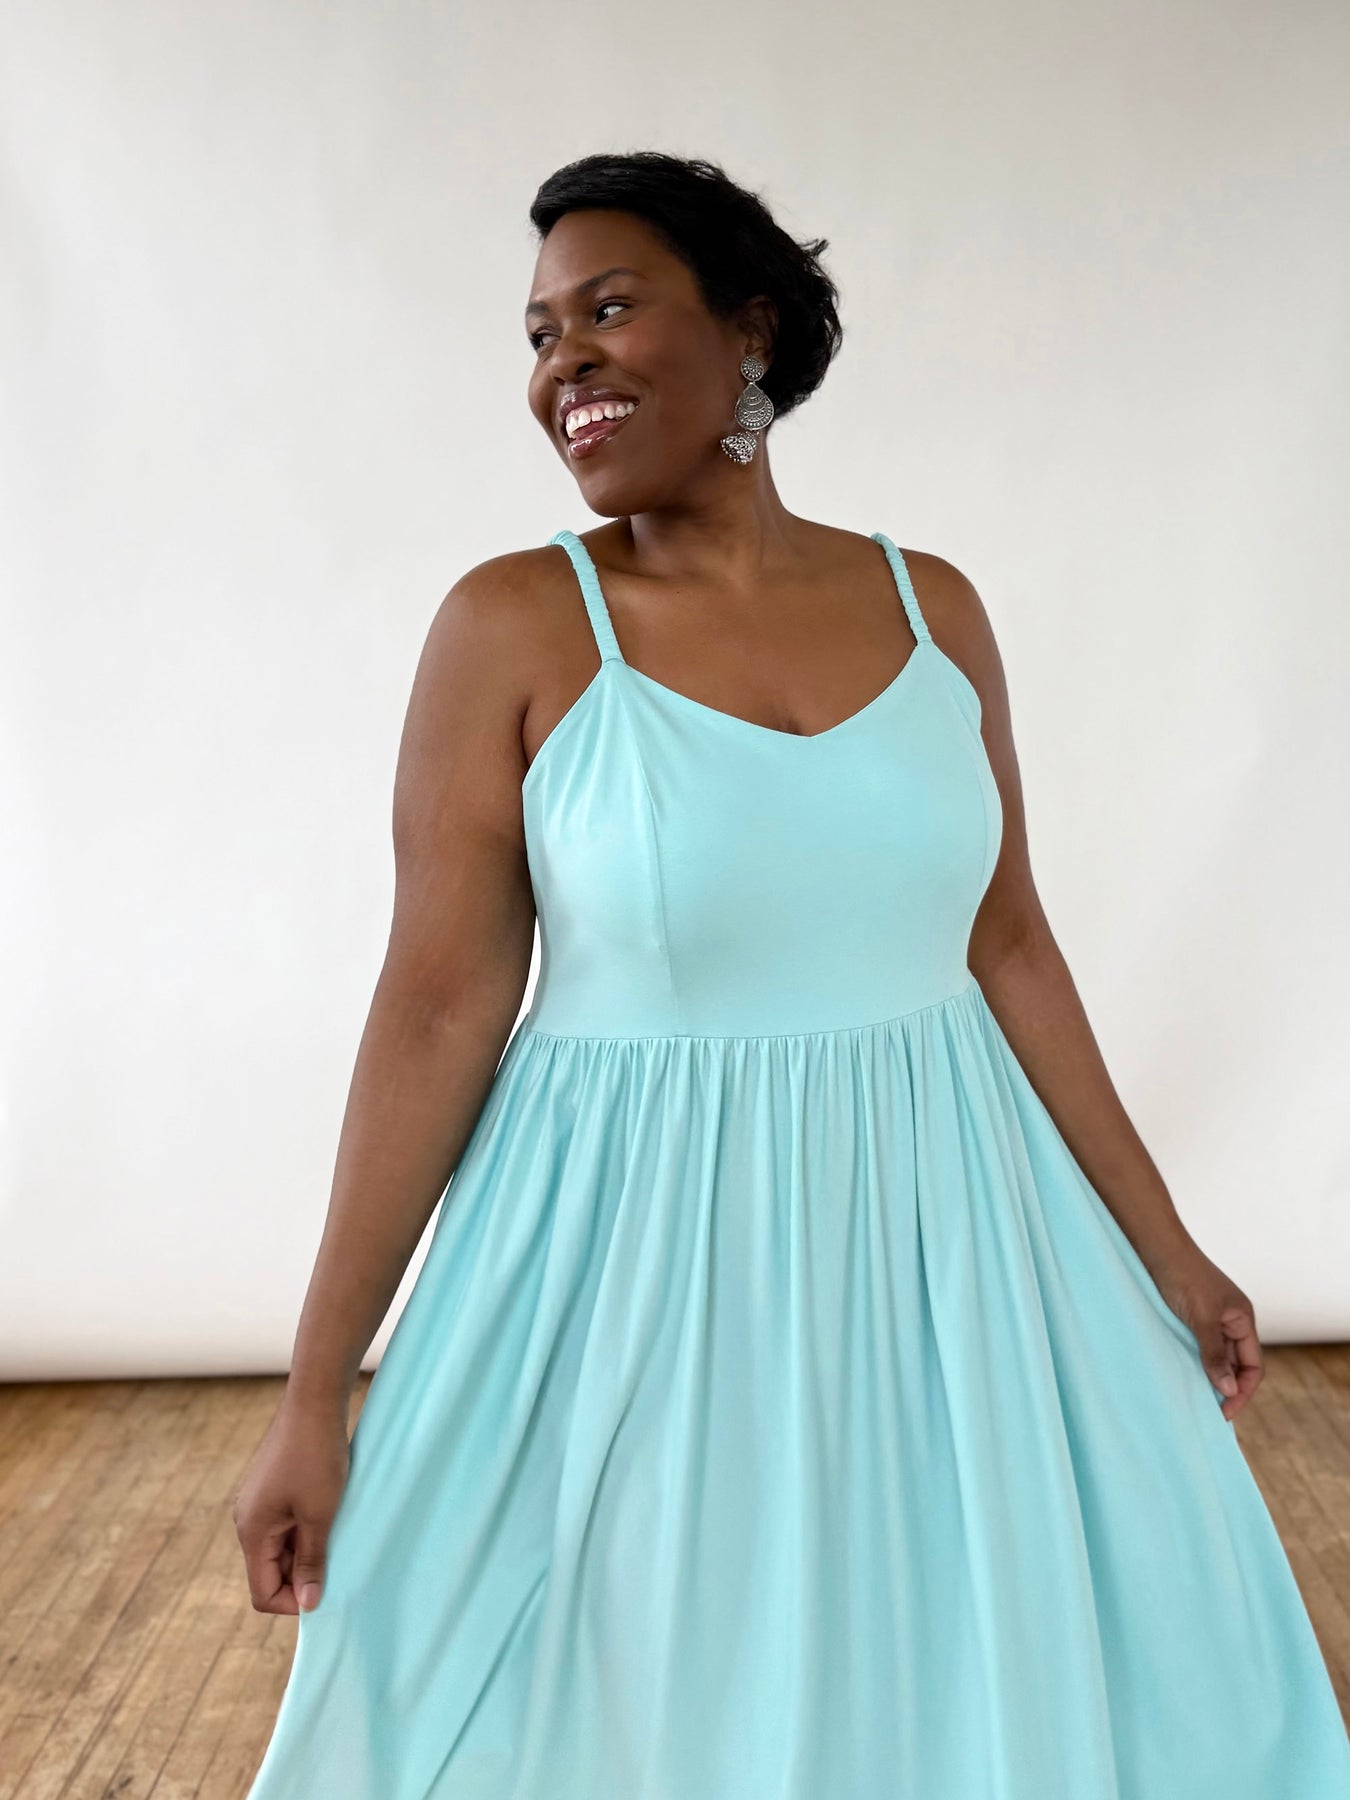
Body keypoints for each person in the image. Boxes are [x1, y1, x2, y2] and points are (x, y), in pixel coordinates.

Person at [236, 151, 1350, 1798]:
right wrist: (313, 1392)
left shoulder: (930, 605)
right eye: (538, 335)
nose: (562, 363)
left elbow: (1007, 940)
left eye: (608, 309)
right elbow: (436, 1007)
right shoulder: (514, 625)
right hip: (627, 1251)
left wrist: (1167, 1249)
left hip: (945, 1227)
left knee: (962, 1655)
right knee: (634, 1676)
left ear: (748, 330)